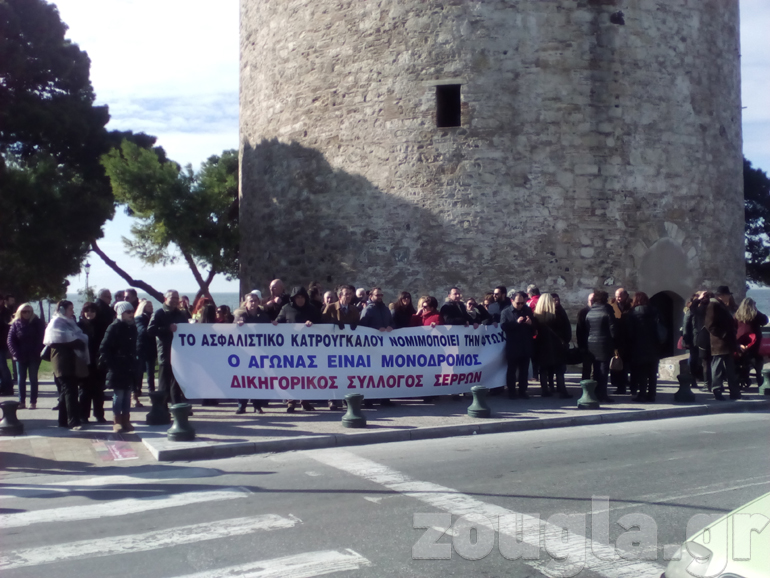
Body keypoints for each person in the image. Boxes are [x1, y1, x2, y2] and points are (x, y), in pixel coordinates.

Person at [44, 300, 89, 429]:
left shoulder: (70, 322)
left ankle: (63, 420)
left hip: (72, 361)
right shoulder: (56, 323)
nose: (72, 311)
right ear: (62, 310)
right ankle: (74, 421)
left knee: (65, 391)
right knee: (70, 391)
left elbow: (78, 337)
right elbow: (57, 339)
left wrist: (77, 340)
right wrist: (75, 341)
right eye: (70, 309)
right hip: (62, 361)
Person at [277, 287, 320, 412]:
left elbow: (321, 323)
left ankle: (305, 401)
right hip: (290, 349)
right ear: (293, 298)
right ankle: (291, 402)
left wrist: (313, 324)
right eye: (297, 297)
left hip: (308, 350)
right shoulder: (286, 308)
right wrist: (274, 324)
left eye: (302, 297)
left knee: (306, 376)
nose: (300, 300)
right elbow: (279, 322)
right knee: (291, 376)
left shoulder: (312, 309)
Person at [99, 301, 138, 433]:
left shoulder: (132, 327)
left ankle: (126, 420)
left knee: (127, 394)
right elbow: (104, 348)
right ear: (121, 313)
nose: (131, 314)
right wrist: (113, 364)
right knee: (119, 394)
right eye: (128, 312)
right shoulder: (114, 327)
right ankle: (117, 421)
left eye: (132, 312)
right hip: (117, 366)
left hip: (129, 365)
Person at [148, 290, 191, 406]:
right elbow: (150, 330)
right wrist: (167, 328)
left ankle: (177, 407)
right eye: (173, 297)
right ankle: (161, 408)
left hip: (179, 353)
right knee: (164, 384)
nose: (175, 300)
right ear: (166, 298)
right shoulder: (159, 313)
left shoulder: (181, 314)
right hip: (165, 352)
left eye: (177, 298)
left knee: (177, 382)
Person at [234, 292, 273, 414]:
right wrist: (237, 325)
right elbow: (232, 330)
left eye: (255, 301)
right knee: (243, 379)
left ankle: (257, 405)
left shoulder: (264, 316)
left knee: (258, 379)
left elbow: (270, 331)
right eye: (251, 301)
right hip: (244, 353)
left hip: (259, 353)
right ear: (246, 303)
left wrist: (274, 325)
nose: (253, 303)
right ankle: (242, 405)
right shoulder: (240, 315)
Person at [625, 292, 664, 402]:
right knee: (652, 372)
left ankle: (642, 394)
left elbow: (630, 332)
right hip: (654, 345)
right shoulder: (655, 311)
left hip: (639, 346)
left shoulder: (633, 313)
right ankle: (652, 394)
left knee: (642, 372)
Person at [533, 294, 572, 398]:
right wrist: (566, 341)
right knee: (559, 369)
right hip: (556, 345)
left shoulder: (536, 317)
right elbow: (566, 329)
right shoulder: (557, 314)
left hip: (542, 345)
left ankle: (545, 391)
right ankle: (562, 391)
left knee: (543, 369)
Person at [705, 286, 741, 401]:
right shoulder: (713, 305)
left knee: (730, 369)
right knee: (717, 368)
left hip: (727, 343)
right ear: (722, 295)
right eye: (728, 294)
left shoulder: (721, 305)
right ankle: (717, 391)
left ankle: (734, 392)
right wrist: (723, 334)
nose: (729, 297)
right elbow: (710, 325)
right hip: (719, 343)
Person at [6, 303, 45, 409]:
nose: (27, 313)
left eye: (29, 311)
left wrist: (38, 351)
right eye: (24, 311)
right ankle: (21, 401)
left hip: (34, 355)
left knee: (33, 378)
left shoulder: (37, 323)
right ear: (20, 312)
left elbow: (42, 338)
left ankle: (33, 402)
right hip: (20, 355)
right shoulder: (16, 324)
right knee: (21, 378)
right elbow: (10, 340)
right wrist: (15, 353)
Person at [500, 291, 536, 399]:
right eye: (518, 303)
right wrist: (516, 322)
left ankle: (522, 391)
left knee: (524, 370)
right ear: (512, 301)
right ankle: (511, 391)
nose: (520, 305)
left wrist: (530, 323)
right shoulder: (506, 312)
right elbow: (503, 326)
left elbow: (534, 327)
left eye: (522, 303)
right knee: (512, 370)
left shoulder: (527, 310)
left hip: (525, 344)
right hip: (513, 345)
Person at [583, 290, 616, 403]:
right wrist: (615, 342)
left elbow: (587, 327)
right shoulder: (607, 310)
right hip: (604, 343)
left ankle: (595, 392)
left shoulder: (590, 311)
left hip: (591, 342)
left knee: (596, 369)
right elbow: (612, 328)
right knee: (603, 370)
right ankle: (603, 394)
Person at [76, 302, 107, 422]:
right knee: (84, 389)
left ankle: (99, 414)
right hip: (84, 361)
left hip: (99, 362)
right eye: (87, 311)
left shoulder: (102, 325)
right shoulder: (79, 325)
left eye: (92, 311)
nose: (89, 313)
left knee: (98, 389)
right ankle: (84, 415)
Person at [735, 297, 768, 390]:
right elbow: (765, 320)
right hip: (754, 341)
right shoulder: (755, 315)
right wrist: (756, 310)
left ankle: (743, 378)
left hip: (741, 341)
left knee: (743, 360)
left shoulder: (737, 315)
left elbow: (733, 326)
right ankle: (759, 379)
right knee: (757, 361)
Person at [610, 287, 632, 395]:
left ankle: (626, 385)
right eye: (616, 296)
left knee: (627, 364)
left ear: (625, 295)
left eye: (620, 296)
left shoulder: (631, 306)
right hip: (617, 339)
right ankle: (619, 385)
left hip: (628, 339)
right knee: (617, 363)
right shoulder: (612, 305)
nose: (618, 298)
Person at [692, 291, 714, 390]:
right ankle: (717, 384)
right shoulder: (716, 309)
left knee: (705, 363)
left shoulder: (700, 309)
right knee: (715, 362)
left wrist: (698, 299)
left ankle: (707, 384)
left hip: (703, 337)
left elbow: (692, 308)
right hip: (715, 337)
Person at [134, 300, 156, 397]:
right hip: (142, 347)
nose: (151, 308)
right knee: (139, 371)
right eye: (148, 306)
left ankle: (151, 391)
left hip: (151, 347)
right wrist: (153, 330)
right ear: (143, 307)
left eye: (151, 306)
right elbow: (142, 331)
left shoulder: (153, 317)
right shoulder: (139, 318)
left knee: (151, 371)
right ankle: (137, 389)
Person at [576, 293, 595, 380]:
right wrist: (581, 345)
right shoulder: (583, 312)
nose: (592, 302)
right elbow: (579, 330)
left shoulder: (599, 311)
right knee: (586, 367)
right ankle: (586, 384)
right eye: (591, 300)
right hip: (586, 343)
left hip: (595, 344)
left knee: (596, 368)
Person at [0, 294, 14, 395]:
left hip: (2, 343)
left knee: (2, 365)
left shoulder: (6, 312)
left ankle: (8, 387)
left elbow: (7, 326)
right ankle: (2, 386)